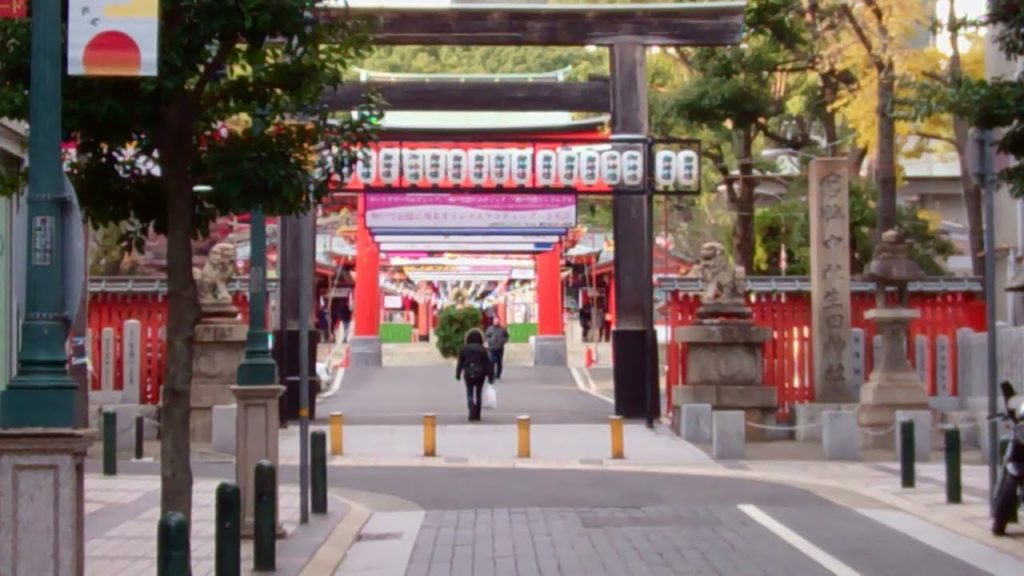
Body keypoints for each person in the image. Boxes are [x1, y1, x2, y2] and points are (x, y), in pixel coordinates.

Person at [456, 328, 494, 421]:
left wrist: (458, 373)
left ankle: (471, 412)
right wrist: (490, 376)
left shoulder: (464, 348)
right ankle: (477, 415)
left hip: (468, 372)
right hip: (480, 373)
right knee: (478, 393)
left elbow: (460, 362)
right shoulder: (483, 349)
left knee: (469, 392)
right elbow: (487, 363)